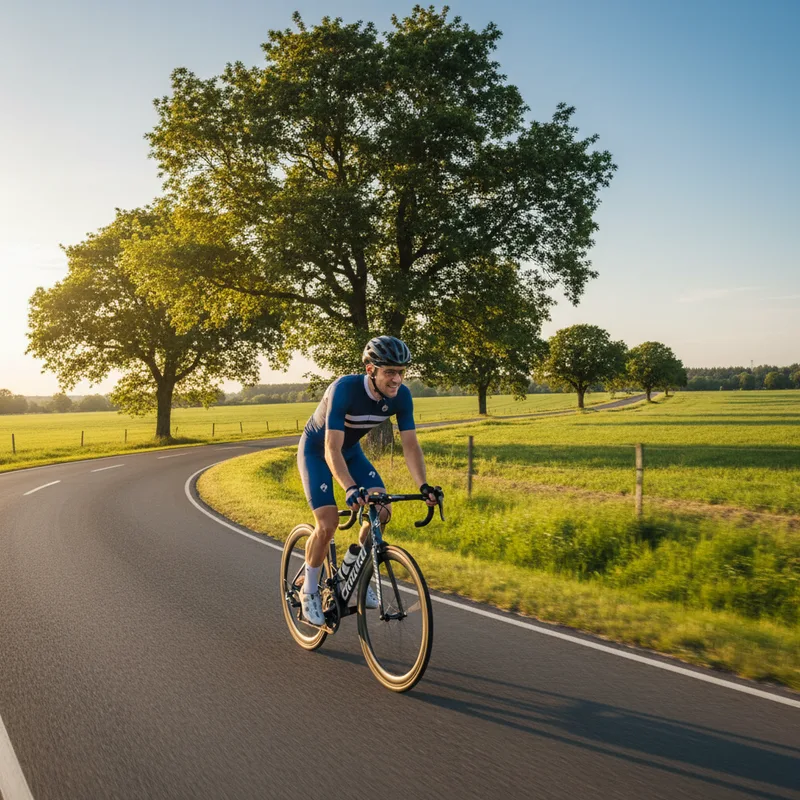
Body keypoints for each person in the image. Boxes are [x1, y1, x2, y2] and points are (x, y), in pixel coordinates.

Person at [296, 335, 438, 625]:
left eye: (401, 372)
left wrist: (423, 486)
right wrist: (349, 487)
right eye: (390, 372)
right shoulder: (344, 389)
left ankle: (353, 568)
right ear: (371, 370)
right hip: (317, 451)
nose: (397, 379)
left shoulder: (402, 396)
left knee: (382, 510)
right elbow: (330, 449)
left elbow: (410, 446)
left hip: (350, 452)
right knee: (328, 522)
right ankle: (308, 591)